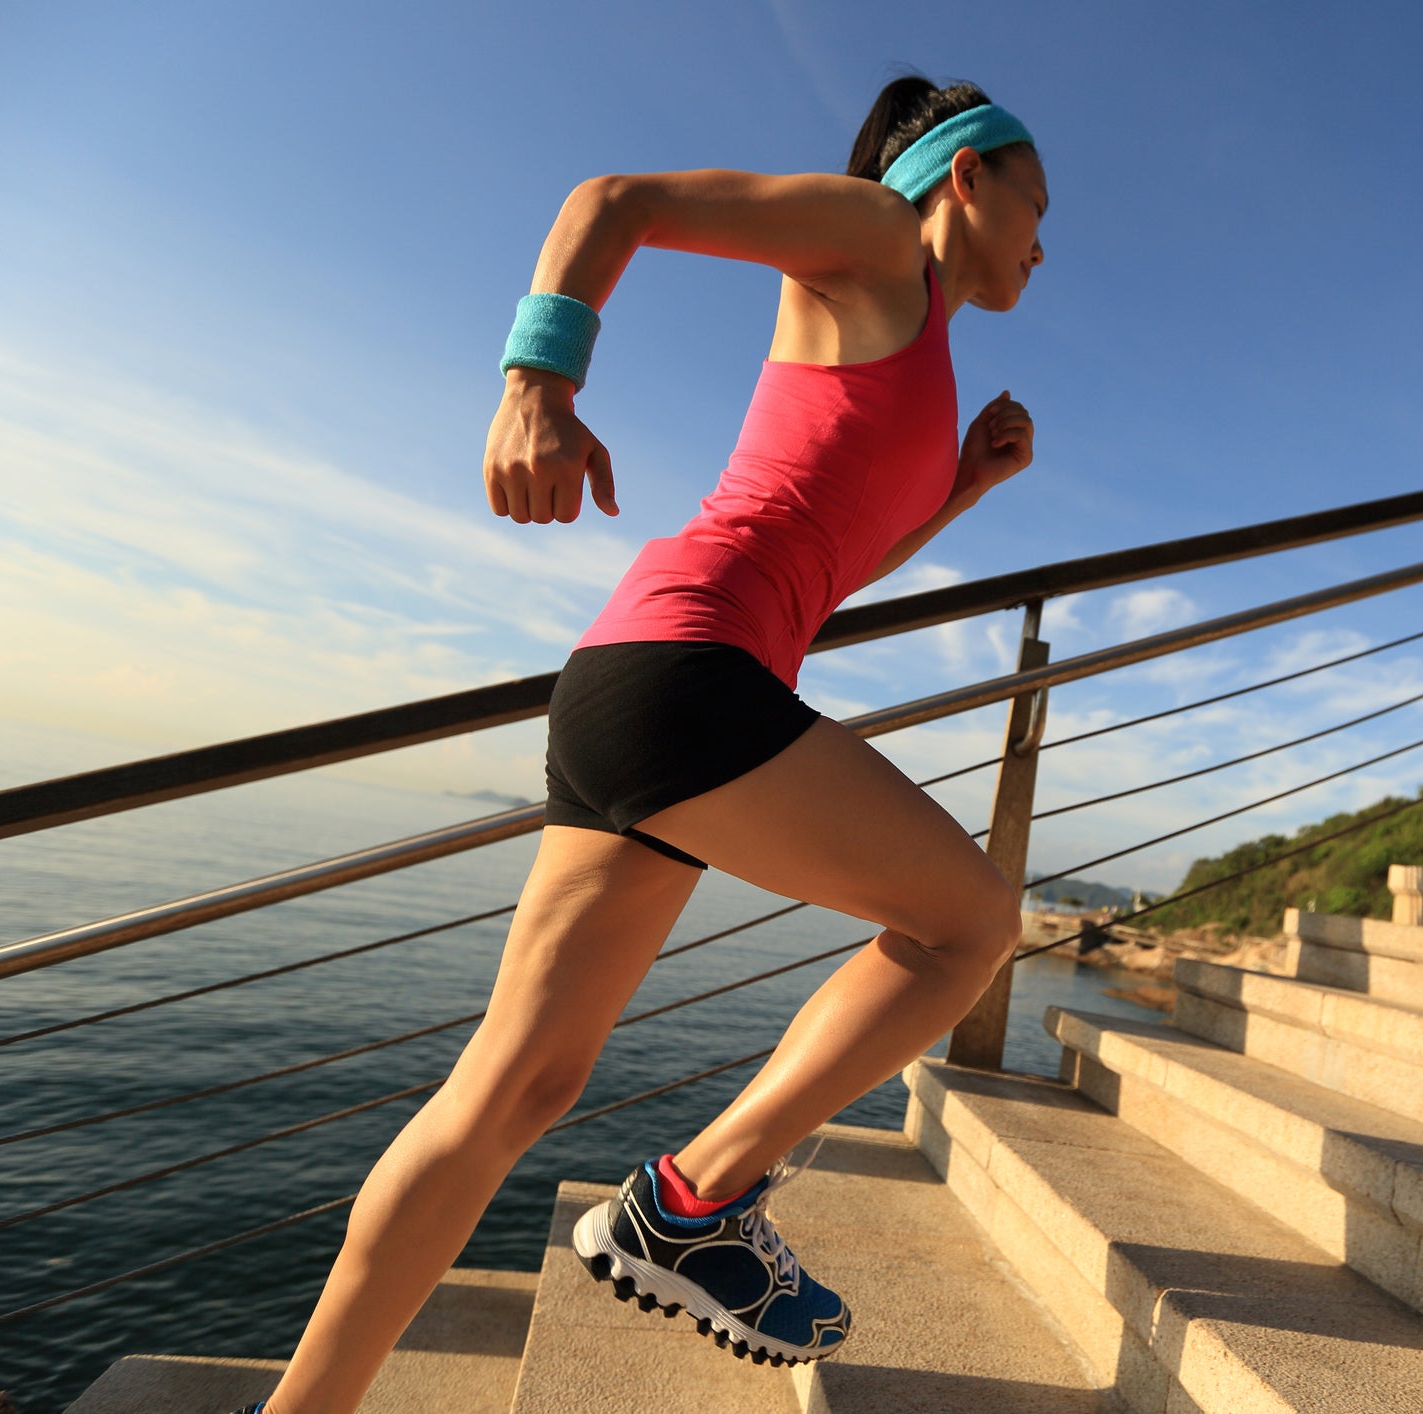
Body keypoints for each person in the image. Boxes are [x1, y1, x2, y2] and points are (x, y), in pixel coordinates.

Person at [234, 74, 1047, 1413]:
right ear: (964, 177)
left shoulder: (914, 337)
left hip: (653, 679)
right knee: (966, 923)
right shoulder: (870, 235)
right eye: (1036, 204)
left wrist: (959, 489)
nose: (1040, 240)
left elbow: (824, 569)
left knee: (513, 1088)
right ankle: (694, 1201)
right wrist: (535, 383)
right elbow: (610, 203)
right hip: (689, 675)